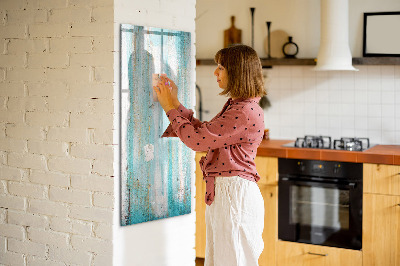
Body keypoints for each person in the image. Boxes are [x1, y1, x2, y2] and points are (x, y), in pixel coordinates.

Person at [153, 44, 266, 266]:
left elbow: (197, 141)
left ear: (237, 72)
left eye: (221, 67)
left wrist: (169, 108)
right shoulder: (239, 106)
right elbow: (205, 133)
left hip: (234, 196)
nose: (215, 72)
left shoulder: (243, 111)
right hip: (228, 194)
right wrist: (175, 103)